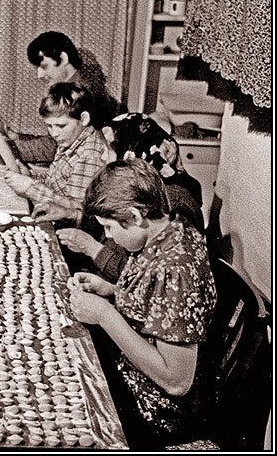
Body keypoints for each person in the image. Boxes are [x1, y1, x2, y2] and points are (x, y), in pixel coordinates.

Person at [67, 158, 216, 449]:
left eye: (109, 227)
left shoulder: (177, 269)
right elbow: (156, 303)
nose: (108, 236)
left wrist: (105, 314)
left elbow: (176, 381)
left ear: (135, 216)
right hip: (130, 370)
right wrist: (112, 290)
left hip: (151, 408)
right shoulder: (168, 230)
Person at [57, 112, 204, 281]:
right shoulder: (143, 189)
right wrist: (73, 214)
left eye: (107, 151)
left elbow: (143, 276)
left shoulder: (173, 206)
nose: (102, 157)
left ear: (131, 154)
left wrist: (92, 248)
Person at [0, 30, 120, 165]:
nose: (39, 75)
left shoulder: (81, 94)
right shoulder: (76, 85)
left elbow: (52, 148)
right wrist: (19, 138)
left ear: (63, 58)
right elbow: (57, 139)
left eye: (44, 66)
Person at [4, 82, 115, 225]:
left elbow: (78, 209)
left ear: (84, 119)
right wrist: (30, 175)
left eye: (61, 126)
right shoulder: (71, 140)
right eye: (49, 126)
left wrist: (30, 188)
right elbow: (56, 180)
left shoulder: (89, 155)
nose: (54, 133)